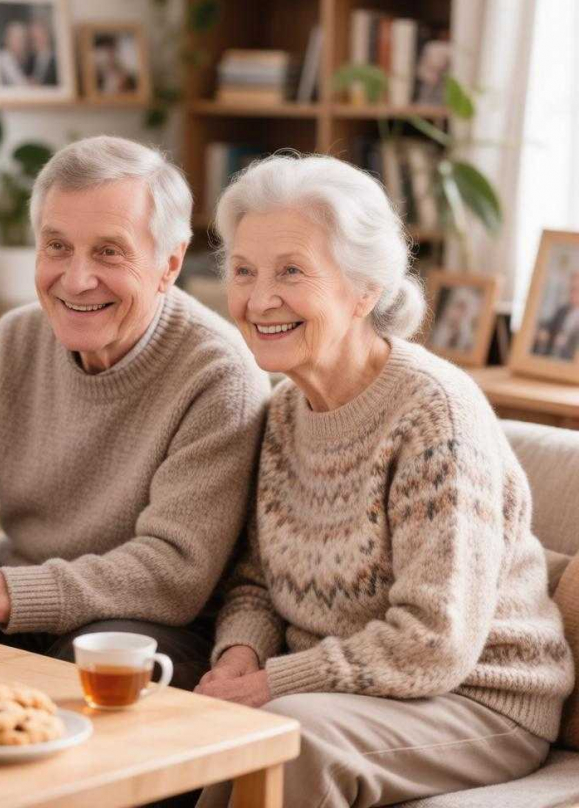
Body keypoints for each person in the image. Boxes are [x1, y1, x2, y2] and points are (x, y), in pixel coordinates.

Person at [195, 154, 574, 807]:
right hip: (342, 689)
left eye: (291, 271)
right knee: (207, 728)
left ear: (365, 290)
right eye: (244, 271)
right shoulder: (285, 410)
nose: (259, 300)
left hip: (476, 697)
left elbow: (434, 640)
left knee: (290, 738)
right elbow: (257, 579)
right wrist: (241, 658)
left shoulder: (434, 418)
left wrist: (270, 685)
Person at [0, 136, 269, 691]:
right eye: (57, 246)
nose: (76, 279)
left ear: (170, 263)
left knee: (86, 661)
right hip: (21, 604)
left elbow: (171, 573)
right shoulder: (15, 341)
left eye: (109, 252)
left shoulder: (220, 376)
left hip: (148, 626)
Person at [533, 270, 579, 361]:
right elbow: (548, 325)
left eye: (576, 290)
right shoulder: (562, 310)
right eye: (571, 289)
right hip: (551, 357)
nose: (572, 294)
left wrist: (566, 343)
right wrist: (543, 330)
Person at [429, 286, 481, 353]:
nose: (464, 314)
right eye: (460, 307)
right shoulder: (435, 332)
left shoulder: (469, 341)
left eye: (467, 310)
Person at [0, 21, 31, 87]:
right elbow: (20, 85)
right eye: (16, 38)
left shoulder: (14, 58)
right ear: (7, 39)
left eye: (22, 39)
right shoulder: (3, 58)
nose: (21, 43)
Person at [29, 17, 58, 86]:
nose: (34, 40)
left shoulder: (56, 59)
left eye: (37, 36)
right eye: (32, 37)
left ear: (46, 35)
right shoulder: (31, 60)